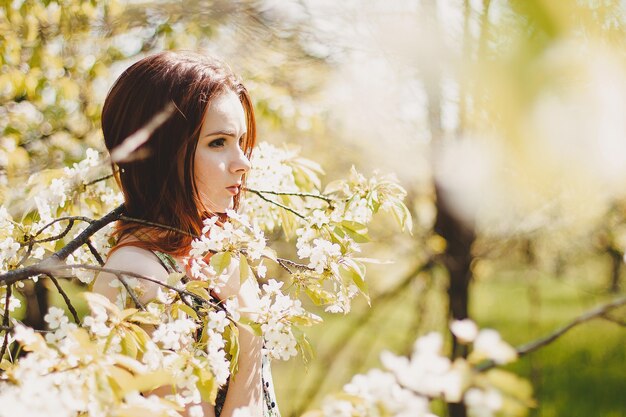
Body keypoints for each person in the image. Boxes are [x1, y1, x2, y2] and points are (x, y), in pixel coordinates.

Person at [93, 51, 279, 417]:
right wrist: (251, 327)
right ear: (162, 155)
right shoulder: (141, 276)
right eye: (217, 142)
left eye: (242, 141)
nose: (244, 163)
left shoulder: (207, 251)